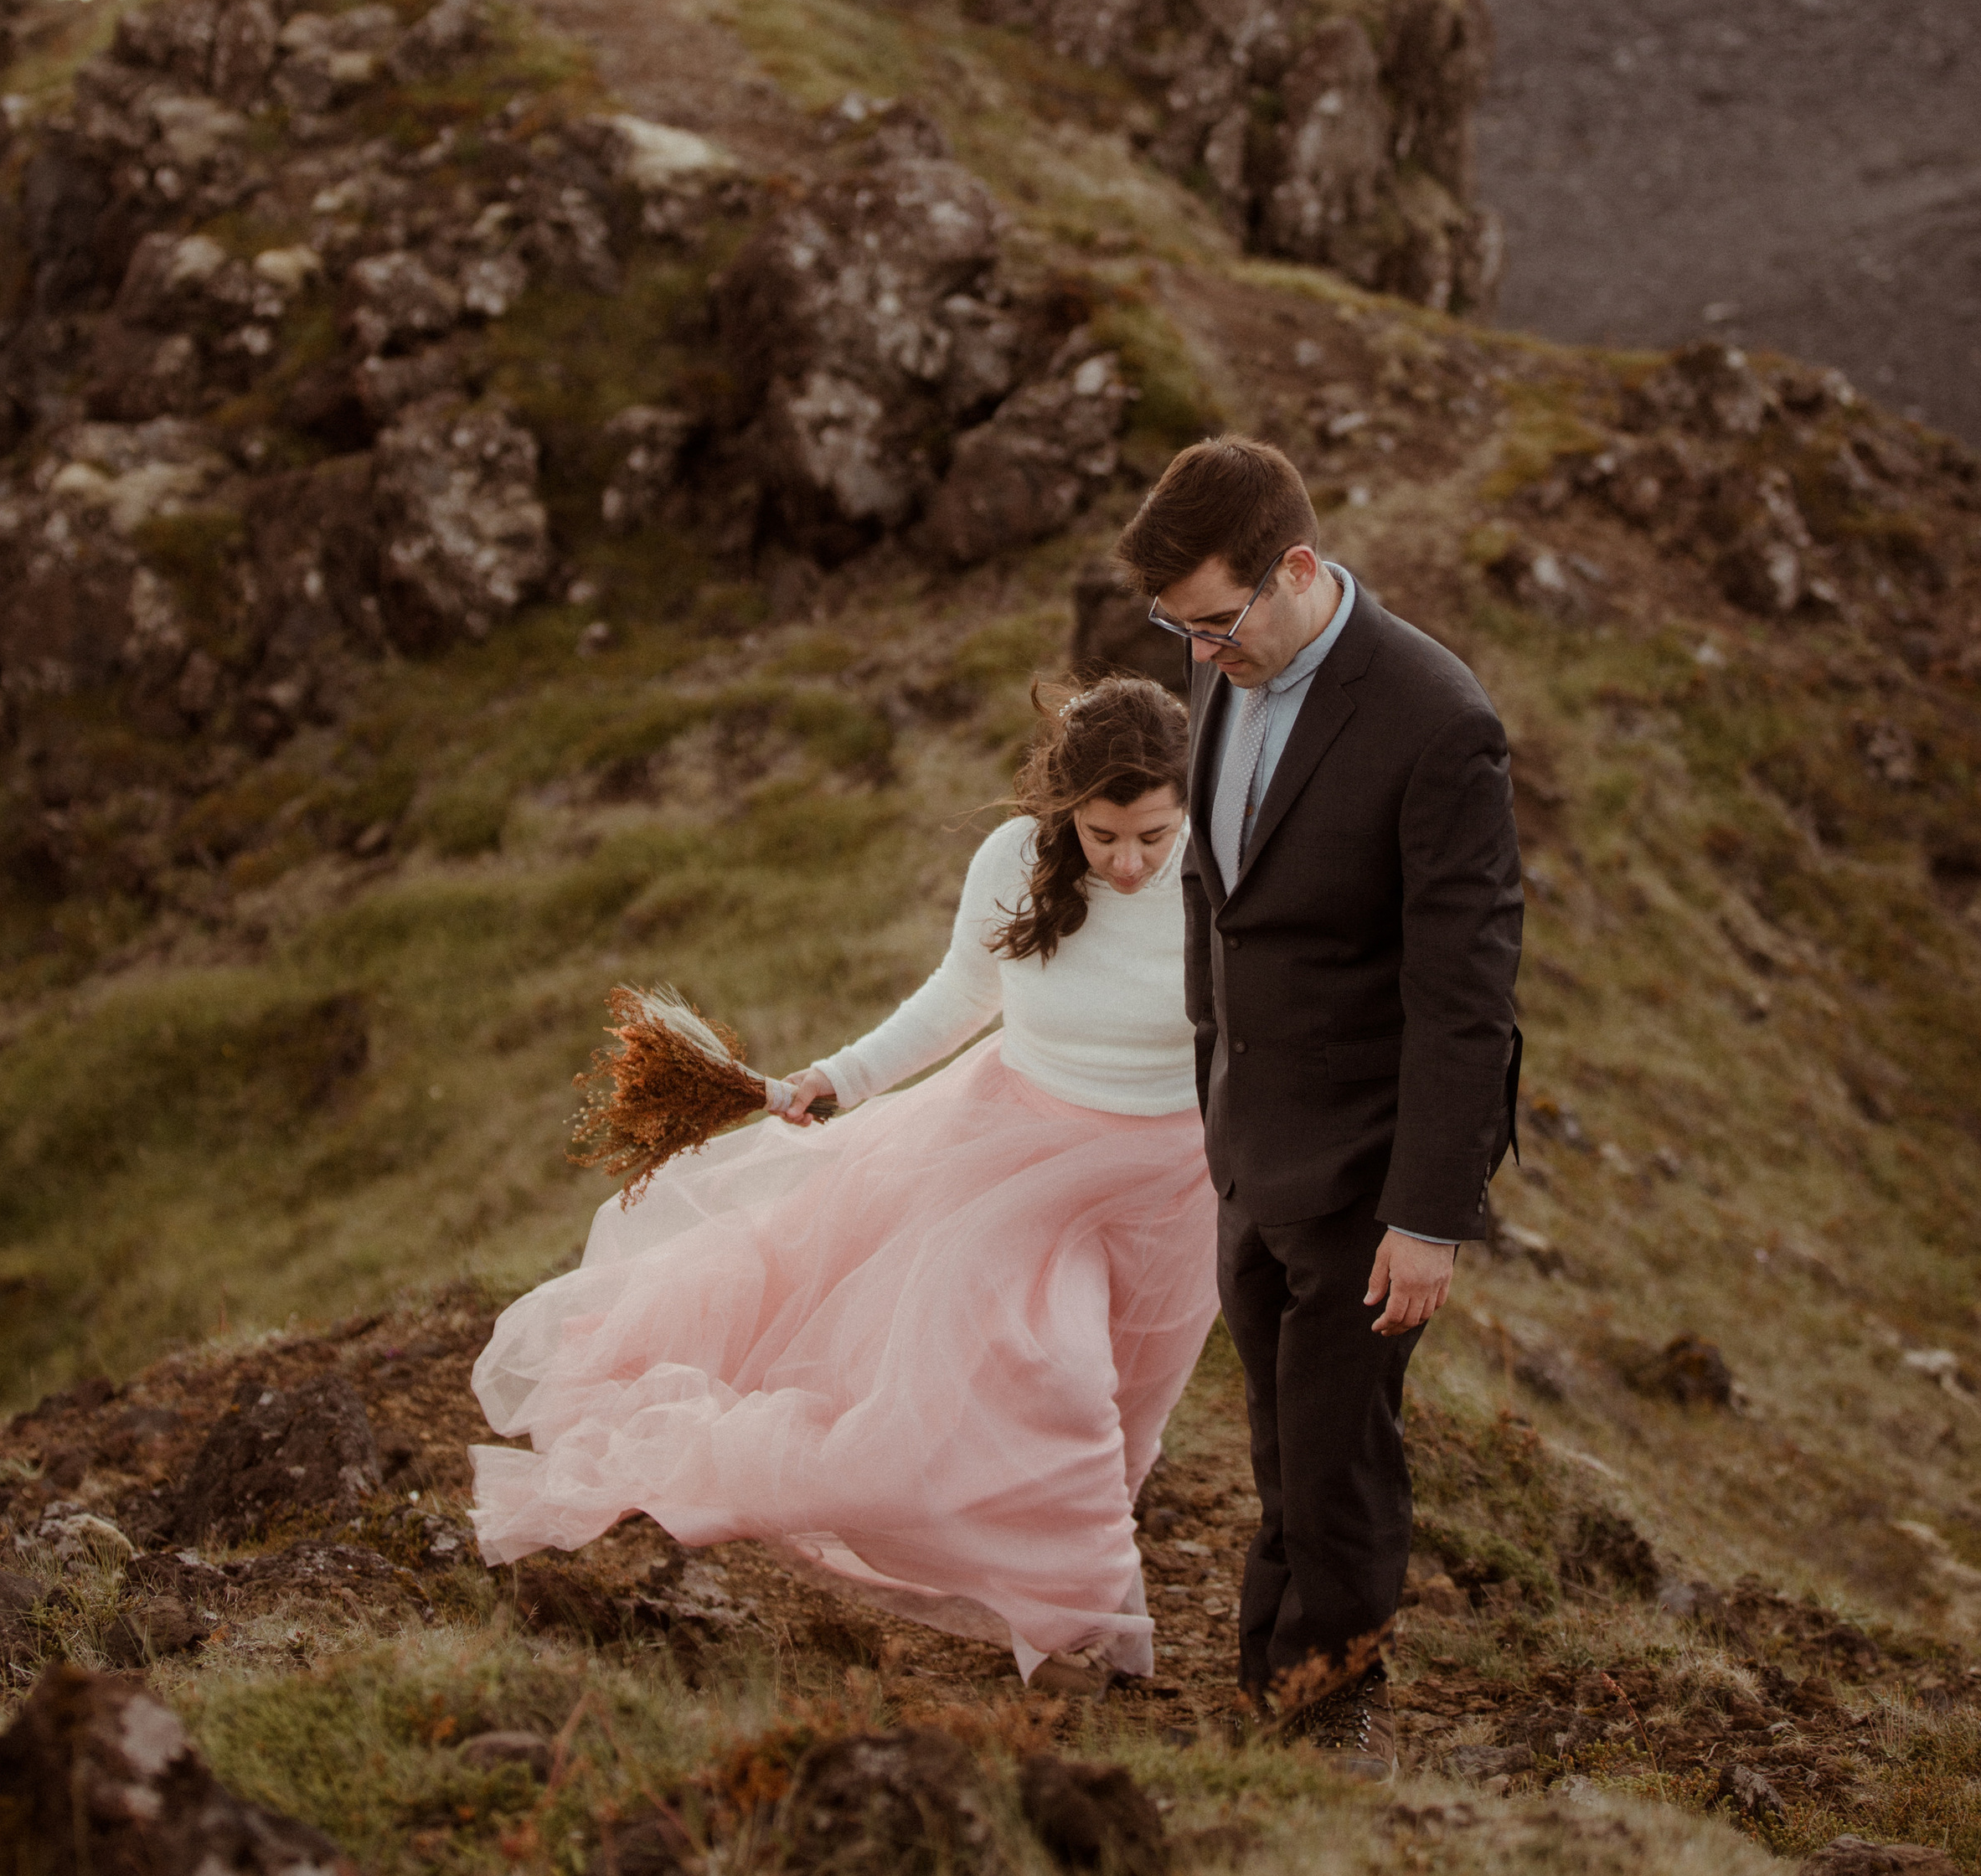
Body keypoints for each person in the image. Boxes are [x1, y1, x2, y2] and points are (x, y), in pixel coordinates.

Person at [469, 676, 1219, 1685]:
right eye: (1100, 836)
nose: (1127, 862)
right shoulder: (1011, 863)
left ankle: (1078, 1572)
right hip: (1015, 1157)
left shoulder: (1226, 868)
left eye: (1152, 836)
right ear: (1063, 814)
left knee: (1127, 1420)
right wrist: (843, 1076)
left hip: (1176, 1182)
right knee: (1060, 1383)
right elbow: (960, 994)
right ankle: (1096, 1636)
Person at [1112, 436, 1522, 1781]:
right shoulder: (1221, 662)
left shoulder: (1436, 720)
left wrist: (1429, 1216)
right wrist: (1203, 1083)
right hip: (1246, 1145)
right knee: (1281, 1443)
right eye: (1179, 628)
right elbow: (1212, 901)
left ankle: (1335, 1715)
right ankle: (1262, 1698)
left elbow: (1466, 995)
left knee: (1342, 1456)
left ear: (1298, 569)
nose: (1200, 650)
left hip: (1364, 1177)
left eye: (1218, 622)